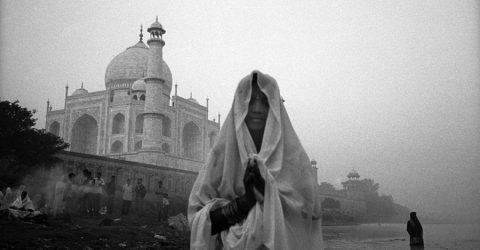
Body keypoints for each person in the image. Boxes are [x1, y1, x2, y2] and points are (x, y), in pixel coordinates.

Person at [188, 71, 323, 249]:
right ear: (239, 106)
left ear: (275, 108)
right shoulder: (221, 157)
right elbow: (199, 222)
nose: (257, 109)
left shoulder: (294, 161)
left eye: (265, 102)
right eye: (250, 101)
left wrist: (268, 194)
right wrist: (246, 201)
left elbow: (308, 219)